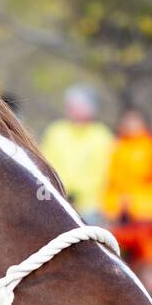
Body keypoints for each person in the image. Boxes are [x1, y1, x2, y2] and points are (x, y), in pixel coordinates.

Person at [40, 86, 114, 219]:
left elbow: (102, 171)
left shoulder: (101, 135)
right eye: (70, 105)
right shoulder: (56, 131)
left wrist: (78, 193)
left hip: (91, 206)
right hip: (58, 200)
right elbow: (46, 163)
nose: (71, 109)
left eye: (76, 105)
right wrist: (63, 189)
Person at [102, 109, 152, 224]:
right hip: (116, 208)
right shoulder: (116, 145)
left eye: (134, 120)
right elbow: (109, 177)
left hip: (146, 208)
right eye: (127, 120)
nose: (130, 124)